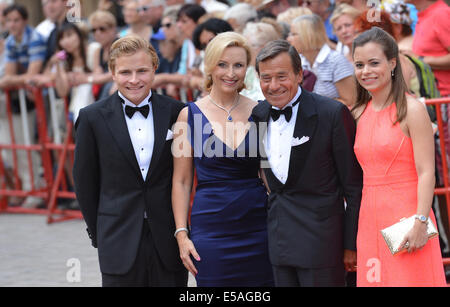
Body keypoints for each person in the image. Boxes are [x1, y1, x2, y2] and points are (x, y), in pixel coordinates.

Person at [73, 35, 188, 287]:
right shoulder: (91, 118)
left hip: (168, 238)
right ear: (112, 73)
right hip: (117, 236)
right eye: (125, 72)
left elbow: (185, 177)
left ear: (154, 69)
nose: (134, 80)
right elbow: (84, 182)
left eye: (142, 71)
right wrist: (101, 233)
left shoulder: (177, 111)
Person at [251, 39, 363, 287]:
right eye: (266, 78)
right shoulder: (257, 116)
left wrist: (350, 244)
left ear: (300, 74)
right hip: (279, 242)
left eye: (282, 76)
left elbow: (354, 187)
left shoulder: (331, 113)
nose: (274, 86)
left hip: (322, 242)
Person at [171, 31, 274, 287]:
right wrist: (182, 234)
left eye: (238, 65)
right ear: (209, 66)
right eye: (222, 64)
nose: (231, 73)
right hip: (211, 229)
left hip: (259, 226)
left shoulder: (261, 111)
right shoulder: (188, 116)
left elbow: (267, 172)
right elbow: (182, 181)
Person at [351, 27, 446, 286]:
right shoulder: (358, 113)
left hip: (408, 217)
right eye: (359, 64)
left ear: (392, 63)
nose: (366, 71)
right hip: (369, 217)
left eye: (374, 63)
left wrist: (420, 221)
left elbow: (427, 171)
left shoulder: (412, 110)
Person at [0, 4, 47, 208]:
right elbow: (9, 77)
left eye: (16, 20)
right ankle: (26, 188)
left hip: (35, 99)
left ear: (25, 20)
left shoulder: (35, 38)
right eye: (9, 20)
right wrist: (17, 79)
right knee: (11, 148)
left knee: (27, 145)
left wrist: (15, 79)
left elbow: (31, 75)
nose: (12, 24)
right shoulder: (10, 40)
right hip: (18, 100)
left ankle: (36, 189)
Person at [288, 14, 356, 107]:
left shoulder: (335, 61)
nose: (288, 39)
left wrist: (317, 106)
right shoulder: (299, 62)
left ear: (309, 36)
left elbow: (351, 102)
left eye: (293, 34)